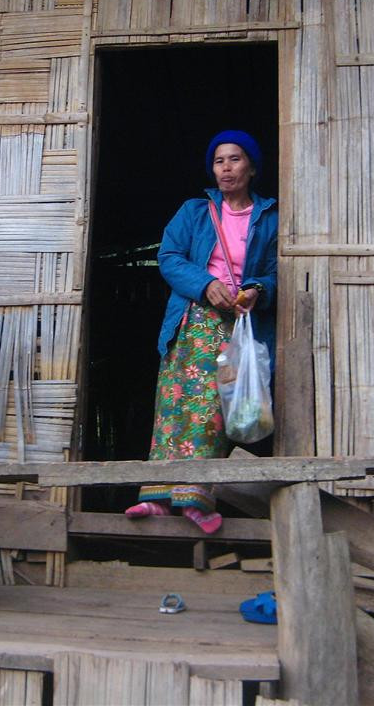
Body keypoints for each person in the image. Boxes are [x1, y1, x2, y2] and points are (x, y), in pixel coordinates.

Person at [125, 130, 278, 535]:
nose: (226, 168)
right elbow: (169, 257)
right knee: (173, 407)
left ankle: (196, 499)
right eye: (218, 161)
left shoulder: (270, 217)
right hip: (191, 323)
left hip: (236, 329)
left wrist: (256, 290)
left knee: (213, 412)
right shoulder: (195, 211)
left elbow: (277, 273)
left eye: (235, 159)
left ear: (252, 168)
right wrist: (205, 284)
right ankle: (157, 499)